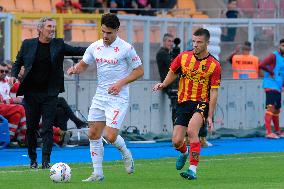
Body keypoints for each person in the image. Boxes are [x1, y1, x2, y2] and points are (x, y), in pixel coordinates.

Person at [67, 13, 144, 182]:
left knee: (109, 136)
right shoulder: (95, 47)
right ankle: (97, 173)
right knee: (93, 133)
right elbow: (84, 63)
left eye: (109, 33)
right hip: (100, 96)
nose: (105, 36)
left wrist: (120, 83)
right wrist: (75, 69)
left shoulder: (126, 48)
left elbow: (139, 71)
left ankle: (125, 153)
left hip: (118, 98)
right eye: (103, 32)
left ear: (117, 31)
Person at [9, 17, 86, 169]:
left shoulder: (58, 44)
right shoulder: (28, 44)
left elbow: (77, 50)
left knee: (47, 127)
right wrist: (13, 74)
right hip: (31, 93)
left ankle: (46, 161)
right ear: (40, 29)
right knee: (31, 128)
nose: (52, 29)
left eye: (54, 27)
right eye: (49, 26)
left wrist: (97, 47)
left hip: (50, 94)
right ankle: (32, 160)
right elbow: (18, 62)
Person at [153, 28, 221, 180]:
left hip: (201, 102)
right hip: (183, 102)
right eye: (194, 41)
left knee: (191, 131)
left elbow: (214, 92)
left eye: (199, 42)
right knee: (176, 141)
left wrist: (210, 116)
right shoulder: (183, 57)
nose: (195, 45)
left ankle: (192, 169)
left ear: (207, 43)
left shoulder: (214, 65)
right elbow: (172, 72)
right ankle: (184, 153)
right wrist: (163, 84)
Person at [259, 39, 284, 139]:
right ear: (279, 46)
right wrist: (272, 73)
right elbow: (261, 65)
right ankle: (268, 132)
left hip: (278, 86)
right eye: (283, 45)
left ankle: (277, 131)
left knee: (277, 109)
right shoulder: (274, 56)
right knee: (270, 107)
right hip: (270, 84)